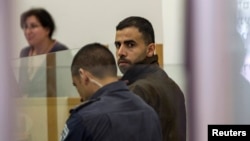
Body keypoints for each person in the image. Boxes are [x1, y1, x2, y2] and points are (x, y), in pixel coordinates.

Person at [60, 43, 162, 141]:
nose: (80, 97)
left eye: (76, 85)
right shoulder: (149, 113)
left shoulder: (83, 119)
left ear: (83, 76)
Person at [114, 16, 186, 141]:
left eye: (130, 45)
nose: (121, 52)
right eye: (117, 45)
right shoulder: (172, 85)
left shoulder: (137, 90)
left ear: (150, 50)